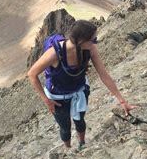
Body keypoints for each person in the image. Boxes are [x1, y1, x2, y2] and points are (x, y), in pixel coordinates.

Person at [28, 20, 136, 151]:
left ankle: (82, 144)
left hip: (79, 91)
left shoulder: (89, 49)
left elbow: (103, 74)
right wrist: (46, 100)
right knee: (65, 127)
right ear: (81, 40)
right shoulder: (54, 53)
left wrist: (122, 101)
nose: (95, 42)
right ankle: (68, 149)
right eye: (93, 39)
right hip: (57, 98)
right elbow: (32, 74)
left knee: (80, 121)